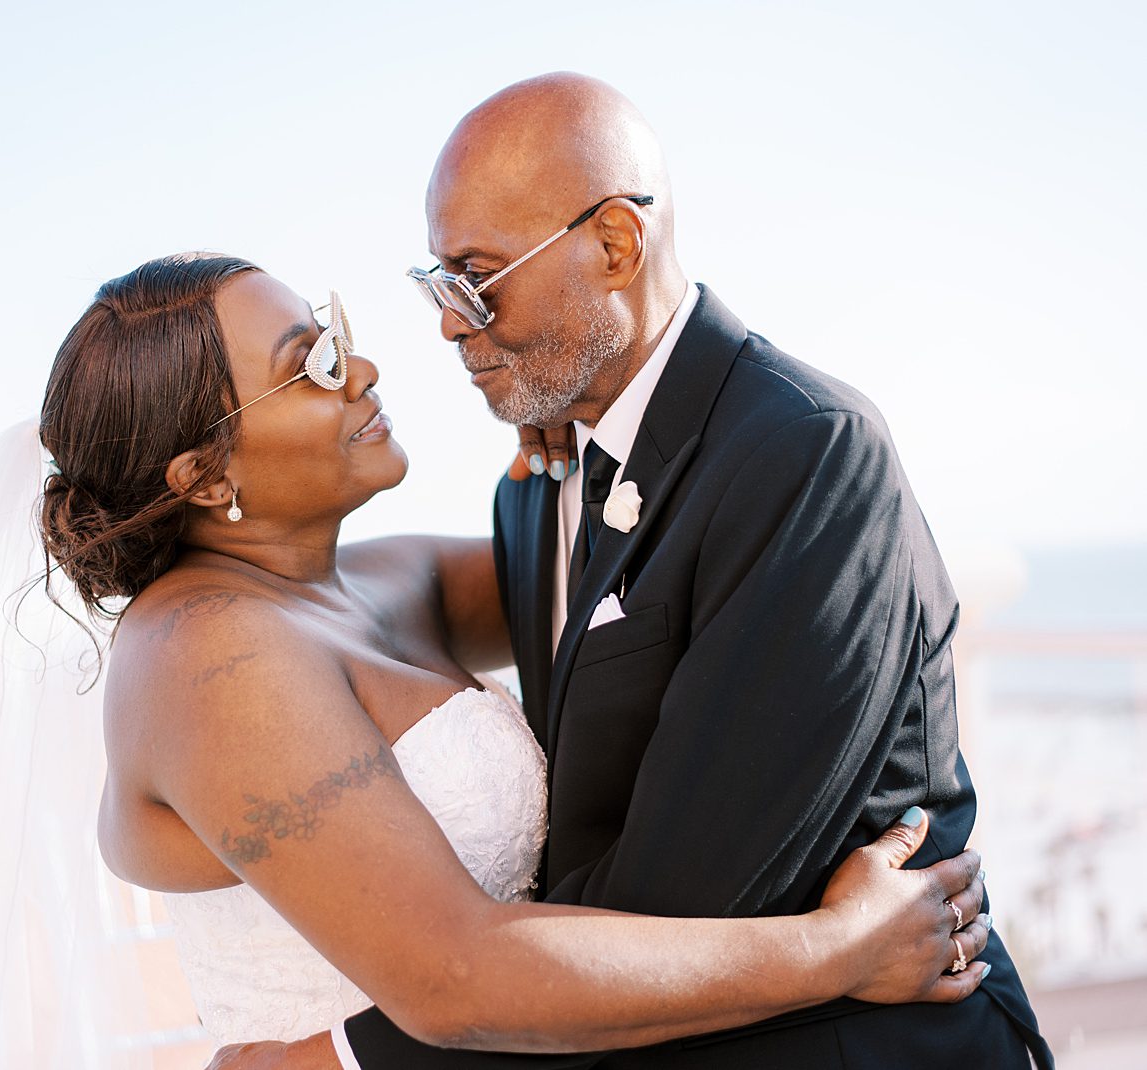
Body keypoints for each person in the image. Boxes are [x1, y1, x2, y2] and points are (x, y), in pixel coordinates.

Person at [159, 75, 1055, 1069]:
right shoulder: (539, 487)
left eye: (476, 275)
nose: (450, 324)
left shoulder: (802, 452)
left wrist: (332, 1057)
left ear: (615, 246)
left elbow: (680, 898)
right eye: (437, 282)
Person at [34, 252, 994, 1062]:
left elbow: (641, 561)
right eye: (312, 362)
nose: (361, 368)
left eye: (336, 330)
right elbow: (455, 977)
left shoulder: (379, 582)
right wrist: (837, 950)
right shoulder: (205, 655)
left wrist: (591, 413)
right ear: (205, 476)